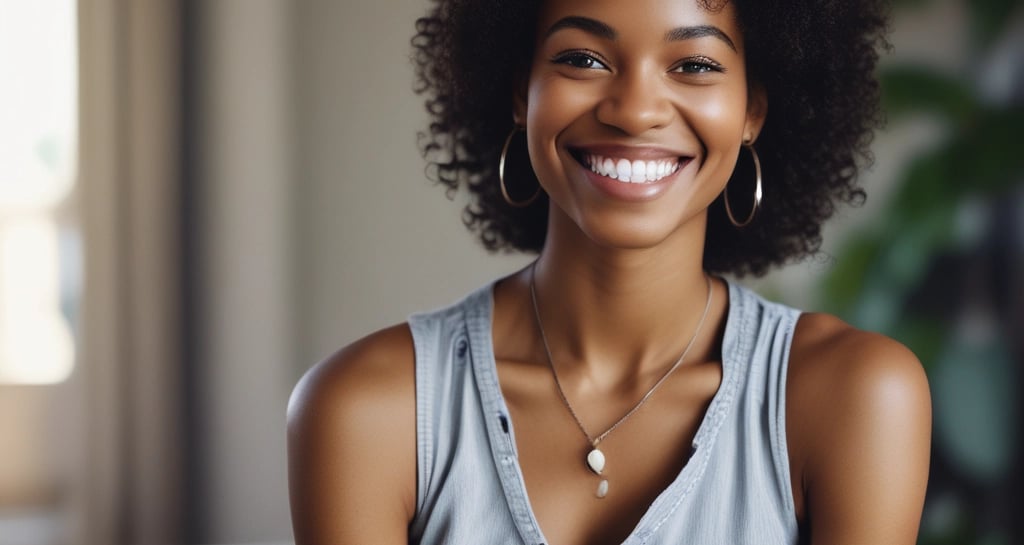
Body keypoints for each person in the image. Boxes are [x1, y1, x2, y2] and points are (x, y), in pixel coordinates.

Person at [287, 0, 932, 543]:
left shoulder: (851, 397)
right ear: (521, 92)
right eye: (582, 59)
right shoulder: (369, 411)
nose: (633, 110)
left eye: (695, 65)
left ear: (752, 112)